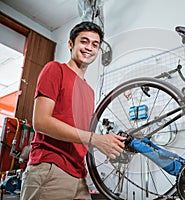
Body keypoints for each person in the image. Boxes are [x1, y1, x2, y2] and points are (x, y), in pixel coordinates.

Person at [20, 21, 126, 200]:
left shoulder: (89, 91)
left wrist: (117, 140)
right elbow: (41, 121)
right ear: (71, 44)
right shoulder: (55, 69)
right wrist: (95, 139)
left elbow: (82, 135)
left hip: (79, 175)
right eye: (84, 41)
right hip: (51, 167)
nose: (89, 48)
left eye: (95, 44)